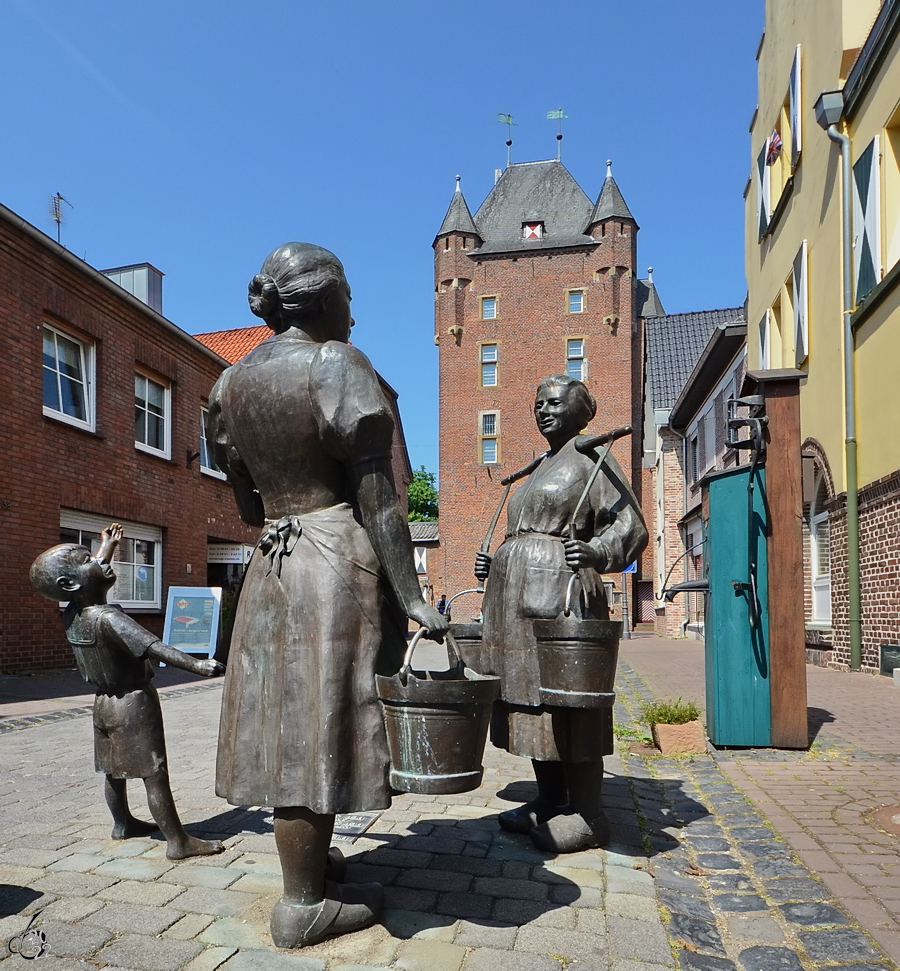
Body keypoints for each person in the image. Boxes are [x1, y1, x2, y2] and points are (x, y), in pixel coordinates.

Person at [208, 242, 447, 948]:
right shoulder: (335, 364)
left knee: (286, 718)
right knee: (320, 720)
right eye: (348, 293)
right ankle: (303, 904)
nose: (356, 309)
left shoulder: (229, 385)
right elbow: (381, 502)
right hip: (333, 560)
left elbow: (248, 511)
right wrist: (413, 599)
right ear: (323, 299)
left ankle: (308, 867)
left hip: (271, 564)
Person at [475, 375, 647, 854]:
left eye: (553, 402)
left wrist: (596, 551)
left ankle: (590, 814)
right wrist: (499, 558)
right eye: (537, 403)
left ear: (580, 410)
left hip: (562, 594)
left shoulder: (593, 457)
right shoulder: (540, 466)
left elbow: (631, 526)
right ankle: (550, 800)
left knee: (569, 703)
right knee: (530, 702)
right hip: (517, 601)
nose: (542, 410)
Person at [29, 524, 225, 860]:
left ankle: (122, 824)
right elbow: (156, 648)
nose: (100, 561)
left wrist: (107, 547)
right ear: (69, 583)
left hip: (103, 704)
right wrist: (199, 666)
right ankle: (178, 842)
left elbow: (87, 579)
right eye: (88, 558)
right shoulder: (109, 619)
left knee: (112, 769)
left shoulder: (73, 614)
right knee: (153, 771)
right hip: (133, 702)